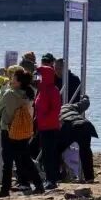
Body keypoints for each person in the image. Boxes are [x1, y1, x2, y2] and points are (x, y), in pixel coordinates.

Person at [0, 68, 44, 197]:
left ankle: (5, 189)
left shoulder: (10, 94)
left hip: (9, 130)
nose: (11, 80)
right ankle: (39, 184)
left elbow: (0, 108)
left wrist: (3, 91)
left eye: (13, 78)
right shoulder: (28, 93)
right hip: (23, 130)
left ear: (18, 81)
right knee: (26, 159)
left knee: (8, 161)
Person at [34, 54, 63, 188]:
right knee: (45, 154)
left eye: (41, 75)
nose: (38, 77)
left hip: (50, 127)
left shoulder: (53, 90)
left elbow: (55, 109)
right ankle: (48, 178)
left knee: (50, 153)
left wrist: (44, 117)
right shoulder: (41, 90)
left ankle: (52, 179)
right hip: (42, 126)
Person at [57, 97, 98, 182]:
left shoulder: (54, 110)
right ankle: (89, 178)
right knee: (86, 152)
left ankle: (58, 175)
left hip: (69, 126)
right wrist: (85, 97)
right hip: (85, 125)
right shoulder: (69, 106)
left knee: (56, 150)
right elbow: (84, 104)